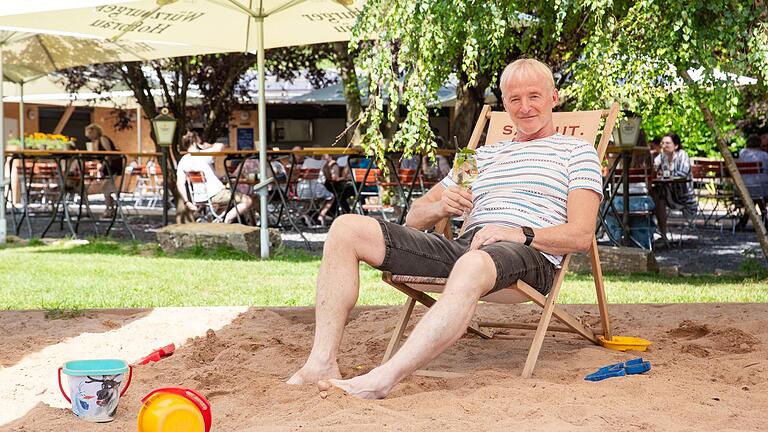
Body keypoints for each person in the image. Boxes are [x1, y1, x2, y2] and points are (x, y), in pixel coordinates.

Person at [287, 58, 604, 399]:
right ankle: (321, 362)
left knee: (473, 261)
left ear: (554, 97)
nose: (524, 107)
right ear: (504, 103)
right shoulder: (479, 156)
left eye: (534, 97)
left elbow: (581, 235)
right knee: (345, 228)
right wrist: (441, 206)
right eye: (514, 99)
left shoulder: (578, 152)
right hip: (469, 249)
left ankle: (383, 378)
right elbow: (415, 216)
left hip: (529, 253)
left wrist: (519, 233)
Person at [176, 131, 255, 224]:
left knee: (228, 205)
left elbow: (180, 183)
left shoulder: (183, 160)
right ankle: (227, 221)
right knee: (248, 200)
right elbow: (220, 146)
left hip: (199, 197)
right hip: (216, 193)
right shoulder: (203, 155)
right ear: (194, 142)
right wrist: (207, 146)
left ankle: (220, 221)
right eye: (200, 141)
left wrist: (186, 201)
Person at [652, 133, 698, 239]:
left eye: (667, 143)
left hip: (683, 196)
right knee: (656, 196)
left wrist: (664, 175)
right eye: (662, 143)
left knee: (657, 196)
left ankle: (649, 227)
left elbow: (683, 174)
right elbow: (653, 167)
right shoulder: (662, 156)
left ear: (676, 145)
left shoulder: (682, 155)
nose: (664, 145)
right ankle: (661, 234)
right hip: (669, 194)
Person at [84, 123, 122, 219]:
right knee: (107, 188)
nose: (89, 136)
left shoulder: (103, 139)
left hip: (112, 166)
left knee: (106, 187)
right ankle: (110, 209)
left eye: (90, 133)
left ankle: (109, 210)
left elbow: (108, 153)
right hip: (107, 167)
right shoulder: (97, 142)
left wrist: (103, 166)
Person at [735, 134, 768, 229]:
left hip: (743, 188)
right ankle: (764, 218)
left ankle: (744, 220)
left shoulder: (742, 153)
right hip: (761, 189)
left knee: (754, 193)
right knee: (759, 192)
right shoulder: (764, 155)